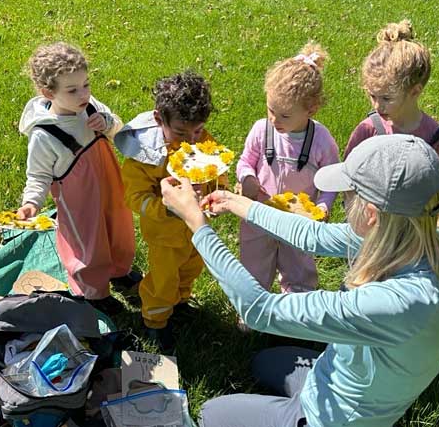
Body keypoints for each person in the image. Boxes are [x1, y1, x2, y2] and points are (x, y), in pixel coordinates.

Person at [160, 134, 439, 427]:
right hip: (346, 377)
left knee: (210, 412)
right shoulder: (417, 237)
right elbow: (314, 236)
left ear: (371, 214)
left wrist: (197, 225)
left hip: (335, 419)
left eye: (349, 194)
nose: (343, 201)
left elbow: (260, 309)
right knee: (264, 361)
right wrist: (236, 203)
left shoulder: (400, 304)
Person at [17, 42, 138, 314]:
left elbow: (119, 128)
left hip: (110, 186)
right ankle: (94, 292)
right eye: (72, 90)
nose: (83, 94)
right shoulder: (45, 135)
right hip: (80, 201)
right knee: (89, 244)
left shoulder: (91, 106)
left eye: (86, 84)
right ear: (49, 92)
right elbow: (38, 175)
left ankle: (119, 270)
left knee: (118, 229)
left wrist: (107, 122)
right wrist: (32, 202)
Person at [115, 70, 226, 351]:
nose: (189, 139)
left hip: (195, 228)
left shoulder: (199, 139)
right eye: (180, 132)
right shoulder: (145, 156)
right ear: (158, 119)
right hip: (165, 234)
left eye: (197, 130)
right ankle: (155, 320)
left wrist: (216, 187)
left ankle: (180, 301)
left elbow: (214, 167)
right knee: (163, 279)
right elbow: (134, 197)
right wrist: (164, 207)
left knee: (191, 267)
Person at [236, 42, 339, 294]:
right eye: (271, 110)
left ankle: (297, 305)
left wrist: (324, 204)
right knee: (253, 263)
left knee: (299, 267)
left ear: (310, 109)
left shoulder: (321, 141)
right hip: (259, 215)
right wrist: (247, 177)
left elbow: (332, 180)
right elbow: (245, 160)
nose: (274, 120)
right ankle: (253, 305)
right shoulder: (262, 130)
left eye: (284, 115)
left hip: (299, 220)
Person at [344, 20, 439, 161]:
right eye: (373, 96)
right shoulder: (367, 130)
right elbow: (346, 176)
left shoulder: (434, 136)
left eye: (387, 98)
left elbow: (433, 181)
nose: (377, 106)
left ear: (414, 91)